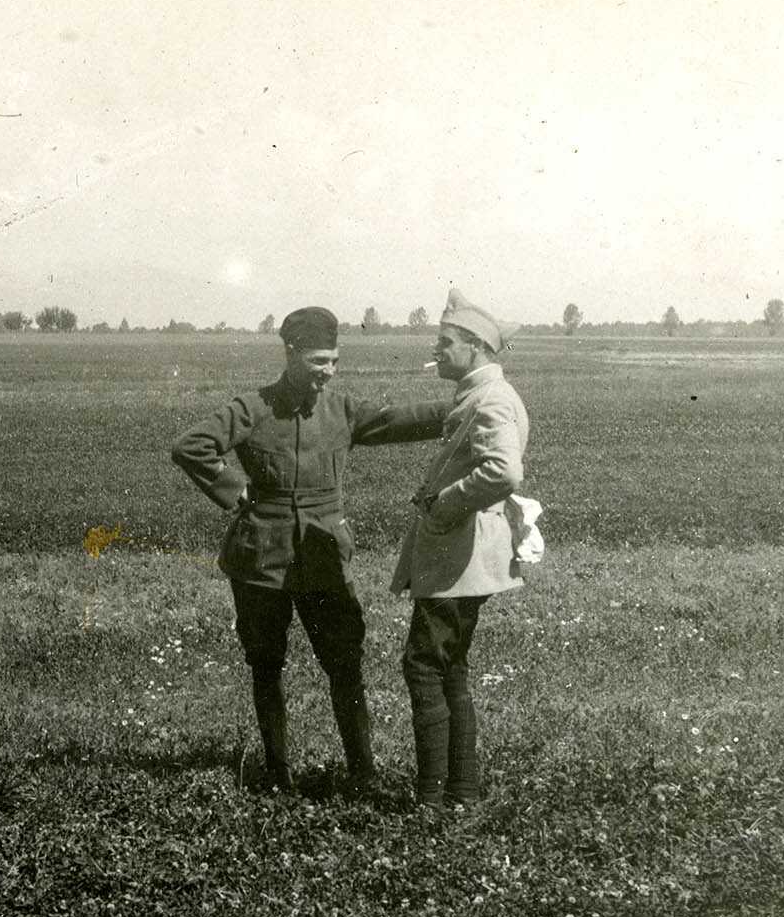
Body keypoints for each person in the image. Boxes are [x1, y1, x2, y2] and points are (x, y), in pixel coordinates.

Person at [172, 306, 448, 794]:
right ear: (291, 353)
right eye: (319, 361)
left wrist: (457, 411)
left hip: (323, 558)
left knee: (345, 661)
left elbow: (396, 421)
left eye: (335, 361)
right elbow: (191, 446)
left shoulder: (341, 409)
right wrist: (238, 492)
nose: (329, 372)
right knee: (266, 662)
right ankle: (277, 772)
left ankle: (362, 773)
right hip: (261, 560)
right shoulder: (251, 409)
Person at [390, 289, 530, 814]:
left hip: (460, 553)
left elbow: (503, 471)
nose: (437, 350)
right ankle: (460, 794)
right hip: (466, 553)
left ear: (474, 346)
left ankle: (432, 799)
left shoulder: (489, 399)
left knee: (424, 664)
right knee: (449, 665)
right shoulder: (483, 393)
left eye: (446, 342)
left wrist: (445, 505)